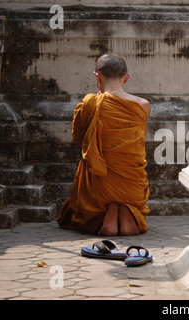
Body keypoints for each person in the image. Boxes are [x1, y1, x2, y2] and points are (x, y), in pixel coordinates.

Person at [57, 53, 151, 236]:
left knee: (92, 173)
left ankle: (106, 217)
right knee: (127, 198)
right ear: (127, 78)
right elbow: (140, 139)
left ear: (97, 76)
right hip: (131, 185)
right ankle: (125, 212)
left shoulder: (90, 103)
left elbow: (79, 139)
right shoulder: (142, 104)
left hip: (99, 189)